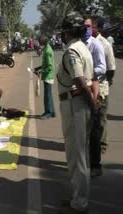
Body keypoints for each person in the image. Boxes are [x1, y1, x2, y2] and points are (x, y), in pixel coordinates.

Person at [57, 11, 95, 214]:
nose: (62, 35)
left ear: (68, 32)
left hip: (75, 106)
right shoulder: (83, 48)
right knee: (80, 154)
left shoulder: (72, 51)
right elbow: (90, 78)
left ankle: (80, 202)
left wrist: (93, 106)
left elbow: (80, 80)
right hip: (80, 104)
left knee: (77, 155)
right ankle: (77, 197)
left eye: (64, 31)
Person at [83, 17, 107, 178]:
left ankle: (96, 164)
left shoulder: (96, 44)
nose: (85, 29)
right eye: (83, 26)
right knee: (83, 129)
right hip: (80, 91)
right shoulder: (80, 44)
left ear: (93, 27)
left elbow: (102, 67)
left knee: (94, 130)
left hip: (95, 90)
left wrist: (87, 74)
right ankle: (85, 162)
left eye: (88, 26)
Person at [91, 16, 116, 156]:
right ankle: (93, 142)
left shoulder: (105, 44)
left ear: (99, 28)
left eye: (93, 26)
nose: (90, 28)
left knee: (101, 117)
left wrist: (108, 82)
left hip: (101, 86)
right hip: (89, 87)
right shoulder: (87, 42)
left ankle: (102, 144)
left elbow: (111, 68)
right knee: (91, 118)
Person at [34, 34, 56, 119]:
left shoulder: (47, 51)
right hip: (47, 74)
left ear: (43, 41)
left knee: (47, 95)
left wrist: (41, 71)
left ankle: (48, 113)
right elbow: (46, 64)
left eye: (40, 41)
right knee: (49, 94)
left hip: (48, 75)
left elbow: (49, 66)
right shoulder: (46, 48)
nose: (39, 43)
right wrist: (39, 68)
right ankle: (52, 112)